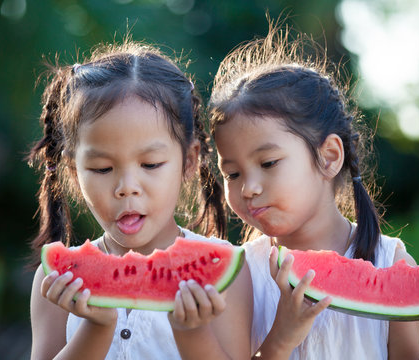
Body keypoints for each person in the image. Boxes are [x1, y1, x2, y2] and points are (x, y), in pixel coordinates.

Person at [208, 23, 419, 360]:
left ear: (329, 157)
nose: (248, 188)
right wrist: (279, 342)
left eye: (268, 163)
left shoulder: (389, 260)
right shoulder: (241, 274)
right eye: (233, 173)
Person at [28, 38, 252, 360]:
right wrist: (97, 327)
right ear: (75, 172)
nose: (127, 187)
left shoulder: (231, 275)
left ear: (189, 161)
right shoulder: (54, 282)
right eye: (102, 168)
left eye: (150, 165)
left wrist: (193, 332)